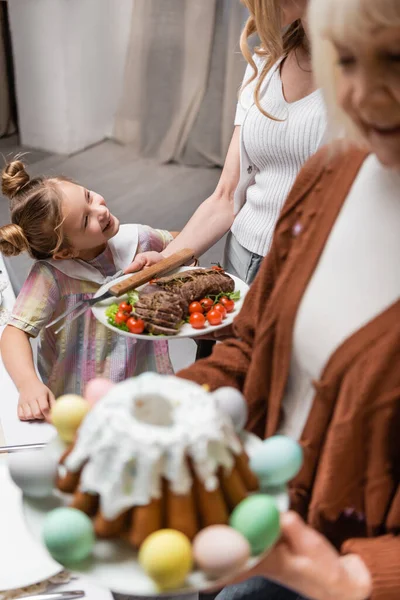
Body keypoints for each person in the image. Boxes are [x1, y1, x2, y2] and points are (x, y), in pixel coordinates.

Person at [176, 0, 400, 597]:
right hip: (266, 515)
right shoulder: (331, 170)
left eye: (396, 61)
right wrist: (176, 404)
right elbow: (253, 341)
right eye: (346, 60)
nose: (363, 96)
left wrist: (356, 578)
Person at [124, 0, 326, 359]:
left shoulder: (369, 81)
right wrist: (168, 258)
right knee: (216, 387)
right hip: (238, 263)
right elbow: (225, 195)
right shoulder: (264, 65)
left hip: (311, 272)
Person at [0, 161, 175, 421]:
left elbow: (183, 242)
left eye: (89, 196)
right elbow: (14, 333)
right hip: (78, 399)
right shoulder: (52, 276)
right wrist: (28, 385)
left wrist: (165, 258)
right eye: (85, 219)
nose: (100, 210)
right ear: (65, 252)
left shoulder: (139, 240)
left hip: (145, 381)